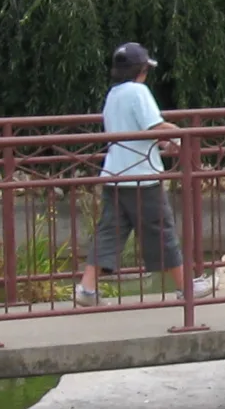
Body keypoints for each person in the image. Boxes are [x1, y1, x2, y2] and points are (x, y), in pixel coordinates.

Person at [75, 43, 196, 307]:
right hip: (141, 176)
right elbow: (154, 125)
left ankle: (86, 289)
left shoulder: (113, 94)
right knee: (161, 230)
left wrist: (164, 140)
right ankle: (187, 288)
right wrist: (181, 136)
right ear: (142, 70)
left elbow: (136, 129)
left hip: (115, 174)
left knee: (109, 231)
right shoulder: (139, 92)